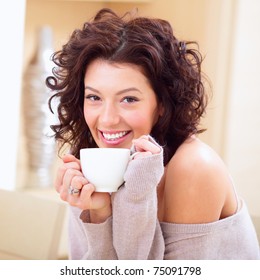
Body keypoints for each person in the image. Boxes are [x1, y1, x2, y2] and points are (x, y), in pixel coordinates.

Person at [47, 8, 260, 259]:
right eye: (94, 97)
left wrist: (136, 197)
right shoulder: (93, 162)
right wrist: (100, 212)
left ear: (161, 104)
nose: (106, 119)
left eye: (128, 99)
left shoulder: (194, 168)